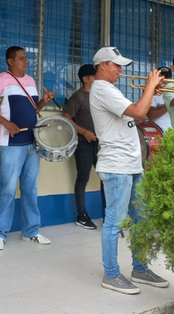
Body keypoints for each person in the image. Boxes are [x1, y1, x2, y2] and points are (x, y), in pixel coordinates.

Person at [89, 46, 170, 295]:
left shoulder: (111, 89)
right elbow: (138, 112)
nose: (120, 70)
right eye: (116, 65)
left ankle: (140, 268)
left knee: (141, 220)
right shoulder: (101, 89)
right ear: (102, 64)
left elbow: (137, 113)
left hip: (132, 163)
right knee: (115, 222)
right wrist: (149, 87)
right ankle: (111, 274)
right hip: (116, 166)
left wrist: (151, 91)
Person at [0, 46, 55, 250]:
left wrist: (43, 103)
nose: (26, 61)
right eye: (21, 58)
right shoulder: (1, 80)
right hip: (10, 144)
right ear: (10, 61)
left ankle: (31, 231)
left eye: (26, 58)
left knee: (30, 188)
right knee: (8, 189)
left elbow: (32, 109)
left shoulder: (30, 81)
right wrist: (5, 123)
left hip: (31, 141)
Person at [62, 64, 101, 230]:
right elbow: (66, 118)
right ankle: (81, 215)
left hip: (100, 144)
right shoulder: (78, 97)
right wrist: (85, 132)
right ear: (86, 78)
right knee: (83, 178)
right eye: (95, 76)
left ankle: (109, 215)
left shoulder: (99, 96)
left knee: (106, 178)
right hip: (84, 143)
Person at [146, 66, 172, 132]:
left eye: (166, 76)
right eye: (160, 76)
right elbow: (151, 115)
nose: (163, 78)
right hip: (159, 133)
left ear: (170, 79)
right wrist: (171, 104)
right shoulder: (152, 93)